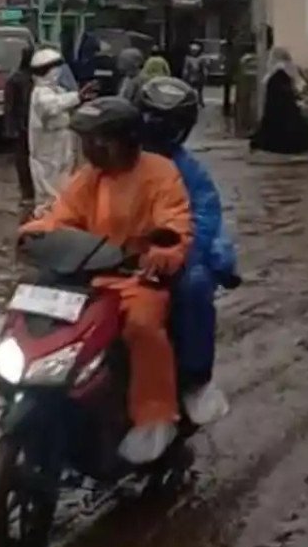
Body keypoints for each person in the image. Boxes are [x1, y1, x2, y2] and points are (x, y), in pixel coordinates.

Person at [22, 97, 193, 464]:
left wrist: (161, 251)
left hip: (137, 278)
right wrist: (36, 235)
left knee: (143, 326)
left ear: (124, 139)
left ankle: (154, 417)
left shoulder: (160, 173)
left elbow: (174, 223)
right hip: (90, 276)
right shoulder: (89, 178)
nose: (89, 149)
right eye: (86, 141)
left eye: (97, 140)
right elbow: (62, 217)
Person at [132, 77, 238, 426]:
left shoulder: (189, 170)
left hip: (166, 256)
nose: (156, 130)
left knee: (193, 286)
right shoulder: (112, 159)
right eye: (150, 120)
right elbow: (73, 205)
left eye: (167, 125)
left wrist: (180, 250)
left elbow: (205, 216)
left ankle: (194, 379)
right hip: (113, 254)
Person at [27, 47, 83, 206]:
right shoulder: (40, 93)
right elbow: (51, 106)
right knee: (49, 189)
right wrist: (77, 97)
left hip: (61, 145)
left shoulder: (56, 90)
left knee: (64, 183)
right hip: (47, 151)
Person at [249, 47, 308, 155]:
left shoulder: (272, 76)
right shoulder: (290, 72)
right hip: (291, 124)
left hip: (274, 125)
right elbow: (299, 90)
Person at [3, 45, 36, 209]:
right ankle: (27, 192)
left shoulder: (36, 78)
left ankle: (34, 189)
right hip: (22, 124)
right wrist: (11, 127)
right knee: (22, 160)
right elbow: (9, 106)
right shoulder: (15, 79)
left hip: (34, 124)